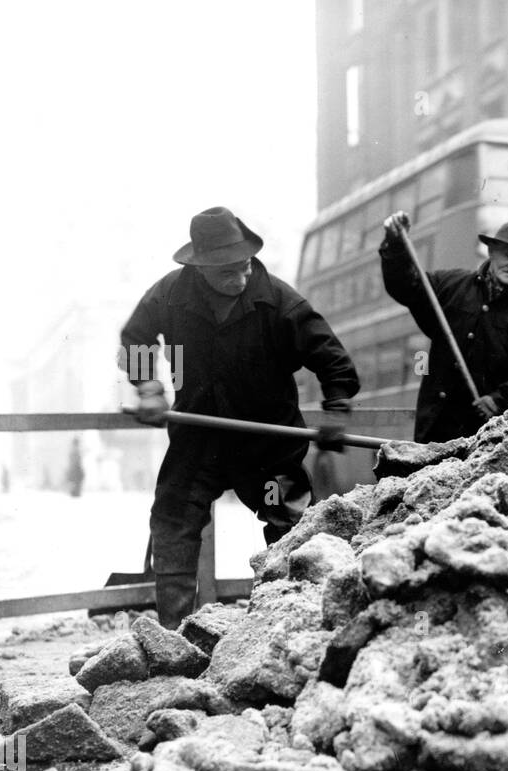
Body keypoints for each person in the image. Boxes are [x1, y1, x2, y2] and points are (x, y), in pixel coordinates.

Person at [120, 206, 360, 629]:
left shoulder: (279, 302)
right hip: (199, 442)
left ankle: (290, 621)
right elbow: (135, 338)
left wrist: (337, 409)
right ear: (200, 267)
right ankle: (174, 632)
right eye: (228, 271)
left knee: (286, 521)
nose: (242, 277)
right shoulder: (172, 295)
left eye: (245, 266)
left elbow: (333, 359)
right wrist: (149, 388)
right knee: (175, 517)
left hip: (264, 450)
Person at [380, 213, 508, 443]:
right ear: (491, 251)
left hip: (492, 441)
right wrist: (395, 244)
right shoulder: (451, 285)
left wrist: (499, 400)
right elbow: (406, 286)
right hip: (435, 433)